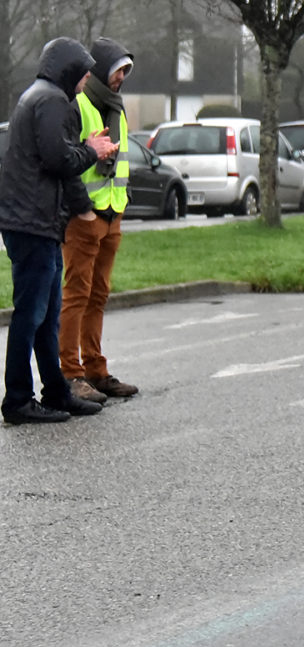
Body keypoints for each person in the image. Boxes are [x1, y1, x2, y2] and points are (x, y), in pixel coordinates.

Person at [0, 37, 117, 425]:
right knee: (31, 314)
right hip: (33, 222)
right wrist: (92, 151)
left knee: (46, 314)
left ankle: (56, 391)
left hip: (35, 222)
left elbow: (54, 155)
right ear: (68, 70)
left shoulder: (39, 96)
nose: (86, 80)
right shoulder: (51, 100)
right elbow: (59, 159)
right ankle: (18, 399)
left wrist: (83, 150)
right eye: (83, 73)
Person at [60, 37, 139, 403]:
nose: (121, 78)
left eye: (125, 72)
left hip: (111, 214)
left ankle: (95, 370)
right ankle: (70, 373)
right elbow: (67, 162)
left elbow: (121, 161)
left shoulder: (117, 109)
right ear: (101, 70)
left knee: (98, 294)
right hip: (84, 217)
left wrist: (120, 205)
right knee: (77, 295)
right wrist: (84, 209)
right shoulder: (77, 106)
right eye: (117, 71)